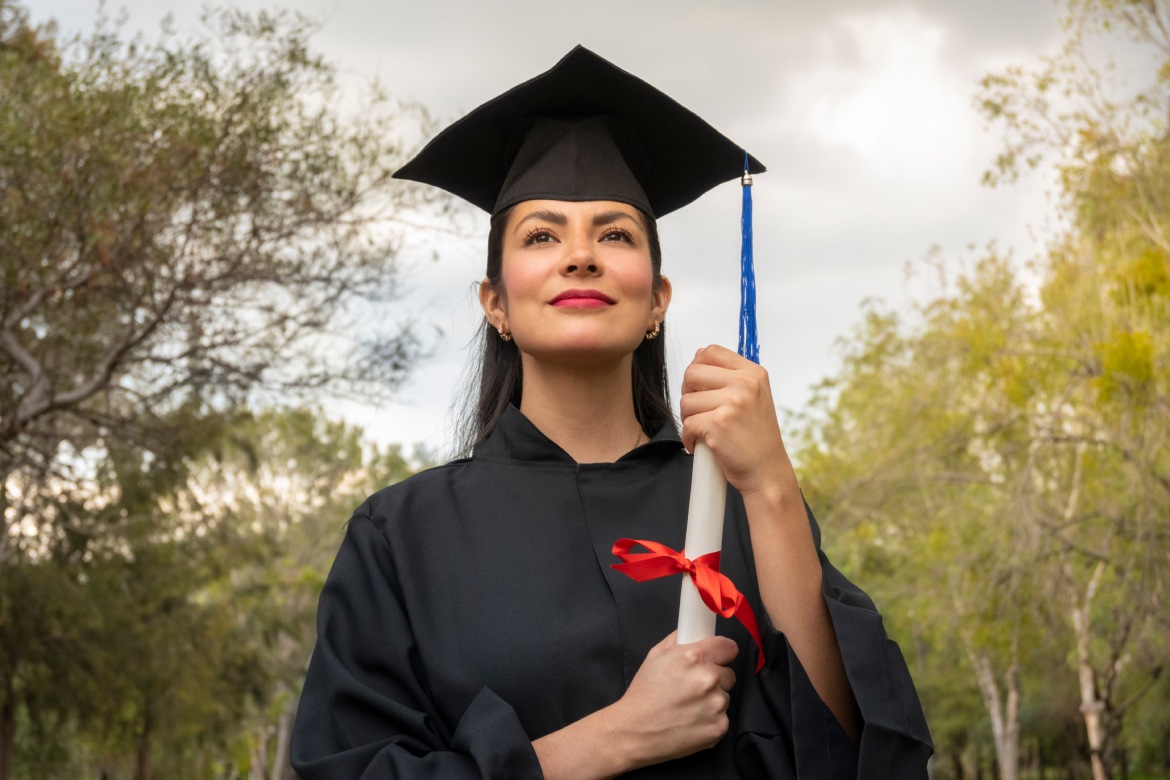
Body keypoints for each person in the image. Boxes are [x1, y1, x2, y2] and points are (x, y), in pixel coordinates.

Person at [290, 46, 933, 779]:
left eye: (615, 233)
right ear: (494, 302)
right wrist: (612, 738)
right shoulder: (401, 539)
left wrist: (773, 486)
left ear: (657, 299)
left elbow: (860, 754)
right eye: (541, 235)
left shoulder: (740, 505)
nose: (581, 256)